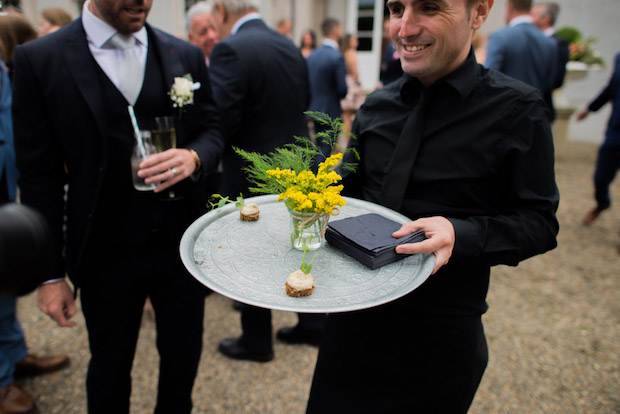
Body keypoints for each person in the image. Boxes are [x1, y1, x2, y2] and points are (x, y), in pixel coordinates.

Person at [306, 0, 559, 412]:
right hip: (350, 326)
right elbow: (344, 189)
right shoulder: (375, 106)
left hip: (439, 342)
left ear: (478, 12)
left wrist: (462, 233)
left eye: (428, 7)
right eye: (395, 8)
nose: (404, 28)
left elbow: (539, 223)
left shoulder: (518, 111)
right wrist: (305, 192)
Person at [12, 0, 225, 412]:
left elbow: (213, 127)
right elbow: (39, 175)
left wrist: (194, 156)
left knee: (183, 362)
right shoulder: (40, 59)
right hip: (104, 250)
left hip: (181, 246)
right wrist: (50, 275)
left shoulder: (185, 54)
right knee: (109, 369)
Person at [207, 0, 324, 362]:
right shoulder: (288, 44)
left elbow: (222, 117)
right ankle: (311, 326)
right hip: (294, 164)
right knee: (298, 242)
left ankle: (256, 342)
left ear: (222, 10)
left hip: (250, 169)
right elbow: (304, 101)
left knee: (251, 254)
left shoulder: (229, 49)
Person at [485, 0, 558, 120]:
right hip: (535, 114)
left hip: (503, 113)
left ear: (510, 7)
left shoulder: (500, 36)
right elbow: (550, 81)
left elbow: (489, 79)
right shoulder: (549, 42)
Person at [577, 52, 620, 228]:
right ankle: (602, 203)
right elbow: (612, 87)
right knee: (600, 177)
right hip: (616, 131)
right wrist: (590, 108)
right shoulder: (618, 58)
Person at [307, 18, 347, 162]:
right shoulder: (336, 57)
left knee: (318, 147)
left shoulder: (312, 56)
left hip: (314, 108)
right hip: (331, 110)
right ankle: (316, 181)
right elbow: (342, 89)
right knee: (325, 150)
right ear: (336, 30)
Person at [531, 1, 569, 121]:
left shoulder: (558, 43)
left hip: (541, 106)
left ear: (545, 18)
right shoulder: (529, 40)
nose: (529, 19)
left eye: (533, 15)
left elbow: (557, 79)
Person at [339, 33, 365, 139]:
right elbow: (355, 73)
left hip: (346, 82)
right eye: (354, 40)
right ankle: (347, 143)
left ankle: (339, 144)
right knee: (348, 117)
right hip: (352, 85)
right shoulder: (352, 53)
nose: (356, 41)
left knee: (345, 117)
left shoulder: (343, 52)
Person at [186, 1, 219, 66]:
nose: (211, 36)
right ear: (191, 38)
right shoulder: (187, 66)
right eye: (203, 32)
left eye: (214, 28)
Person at [378, 15, 403, 87]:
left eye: (388, 30)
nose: (386, 35)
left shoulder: (403, 47)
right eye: (384, 30)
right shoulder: (389, 47)